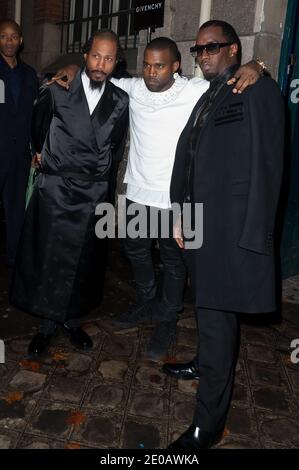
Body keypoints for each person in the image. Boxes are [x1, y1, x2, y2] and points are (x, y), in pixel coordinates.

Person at [51, 38, 262, 359]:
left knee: (174, 262)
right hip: (137, 191)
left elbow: (236, 81)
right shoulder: (132, 88)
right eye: (147, 65)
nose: (151, 72)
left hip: (177, 198)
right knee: (136, 252)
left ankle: (168, 317)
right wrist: (69, 66)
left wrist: (258, 66)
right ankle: (147, 303)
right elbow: (93, 72)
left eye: (159, 65)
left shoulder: (193, 90)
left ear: (176, 66)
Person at [162, 20, 284, 451]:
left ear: (234, 48)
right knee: (209, 312)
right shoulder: (209, 93)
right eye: (198, 50)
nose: (204, 55)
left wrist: (254, 236)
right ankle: (205, 362)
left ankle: (208, 424)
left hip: (230, 232)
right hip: (198, 224)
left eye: (212, 47)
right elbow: (193, 156)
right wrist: (180, 213)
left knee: (215, 318)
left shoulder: (258, 89)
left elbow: (267, 168)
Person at [10, 30, 129, 357]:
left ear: (115, 62)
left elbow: (115, 147)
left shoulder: (120, 100)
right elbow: (37, 129)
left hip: (93, 193)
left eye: (108, 58)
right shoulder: (57, 90)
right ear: (84, 54)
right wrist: (40, 155)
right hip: (56, 189)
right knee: (48, 257)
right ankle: (47, 324)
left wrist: (105, 186)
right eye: (95, 56)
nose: (100, 64)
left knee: (84, 261)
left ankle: (72, 320)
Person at [0, 19, 38, 267]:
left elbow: (34, 116)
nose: (9, 41)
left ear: (21, 40)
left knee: (16, 208)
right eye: (3, 36)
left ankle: (14, 257)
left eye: (14, 36)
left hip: (20, 154)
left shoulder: (29, 74)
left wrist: (35, 149)